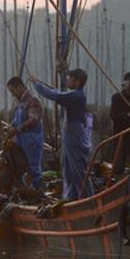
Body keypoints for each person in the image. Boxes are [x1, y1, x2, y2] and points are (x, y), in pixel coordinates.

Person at [31, 69, 93, 200]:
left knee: (77, 168)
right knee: (68, 168)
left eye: (70, 78)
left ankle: (88, 198)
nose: (67, 80)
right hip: (71, 133)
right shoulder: (75, 95)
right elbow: (58, 94)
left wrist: (37, 84)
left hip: (75, 135)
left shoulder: (76, 96)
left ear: (77, 81)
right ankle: (71, 197)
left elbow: (54, 95)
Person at [6, 77, 44, 190]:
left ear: (19, 87)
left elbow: (33, 120)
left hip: (32, 140)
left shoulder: (32, 101)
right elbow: (17, 120)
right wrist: (11, 127)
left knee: (33, 168)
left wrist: (16, 129)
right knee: (20, 166)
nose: (12, 94)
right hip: (21, 139)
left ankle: (38, 192)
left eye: (13, 91)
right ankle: (26, 190)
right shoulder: (21, 102)